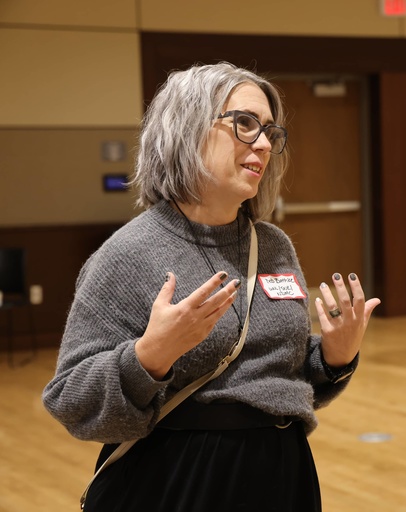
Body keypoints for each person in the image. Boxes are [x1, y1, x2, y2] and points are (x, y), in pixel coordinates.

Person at [42, 61, 380, 512]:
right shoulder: (127, 254)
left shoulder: (273, 246)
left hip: (283, 473)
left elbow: (277, 375)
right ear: (186, 128)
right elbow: (70, 399)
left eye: (269, 132)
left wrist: (335, 356)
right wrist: (148, 357)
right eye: (243, 124)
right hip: (178, 479)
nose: (262, 143)